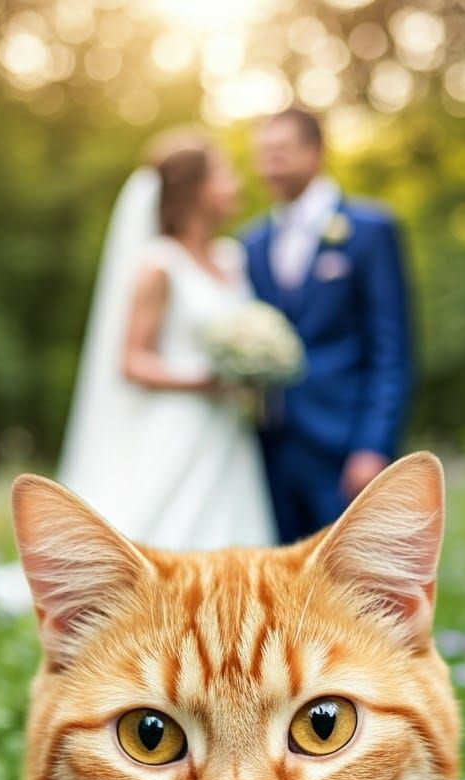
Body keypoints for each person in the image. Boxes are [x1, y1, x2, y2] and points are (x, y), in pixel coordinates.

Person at [55, 130, 277, 550]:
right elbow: (132, 361)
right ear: (195, 189)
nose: (237, 184)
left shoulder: (233, 258)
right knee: (166, 533)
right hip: (179, 424)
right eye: (224, 174)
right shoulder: (159, 264)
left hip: (230, 430)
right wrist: (206, 378)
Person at [243, 107, 414, 544]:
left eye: (280, 152)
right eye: (262, 154)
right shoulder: (251, 242)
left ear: (315, 153)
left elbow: (391, 349)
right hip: (269, 450)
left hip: (344, 446)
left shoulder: (370, 230)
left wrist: (372, 446)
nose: (268, 166)